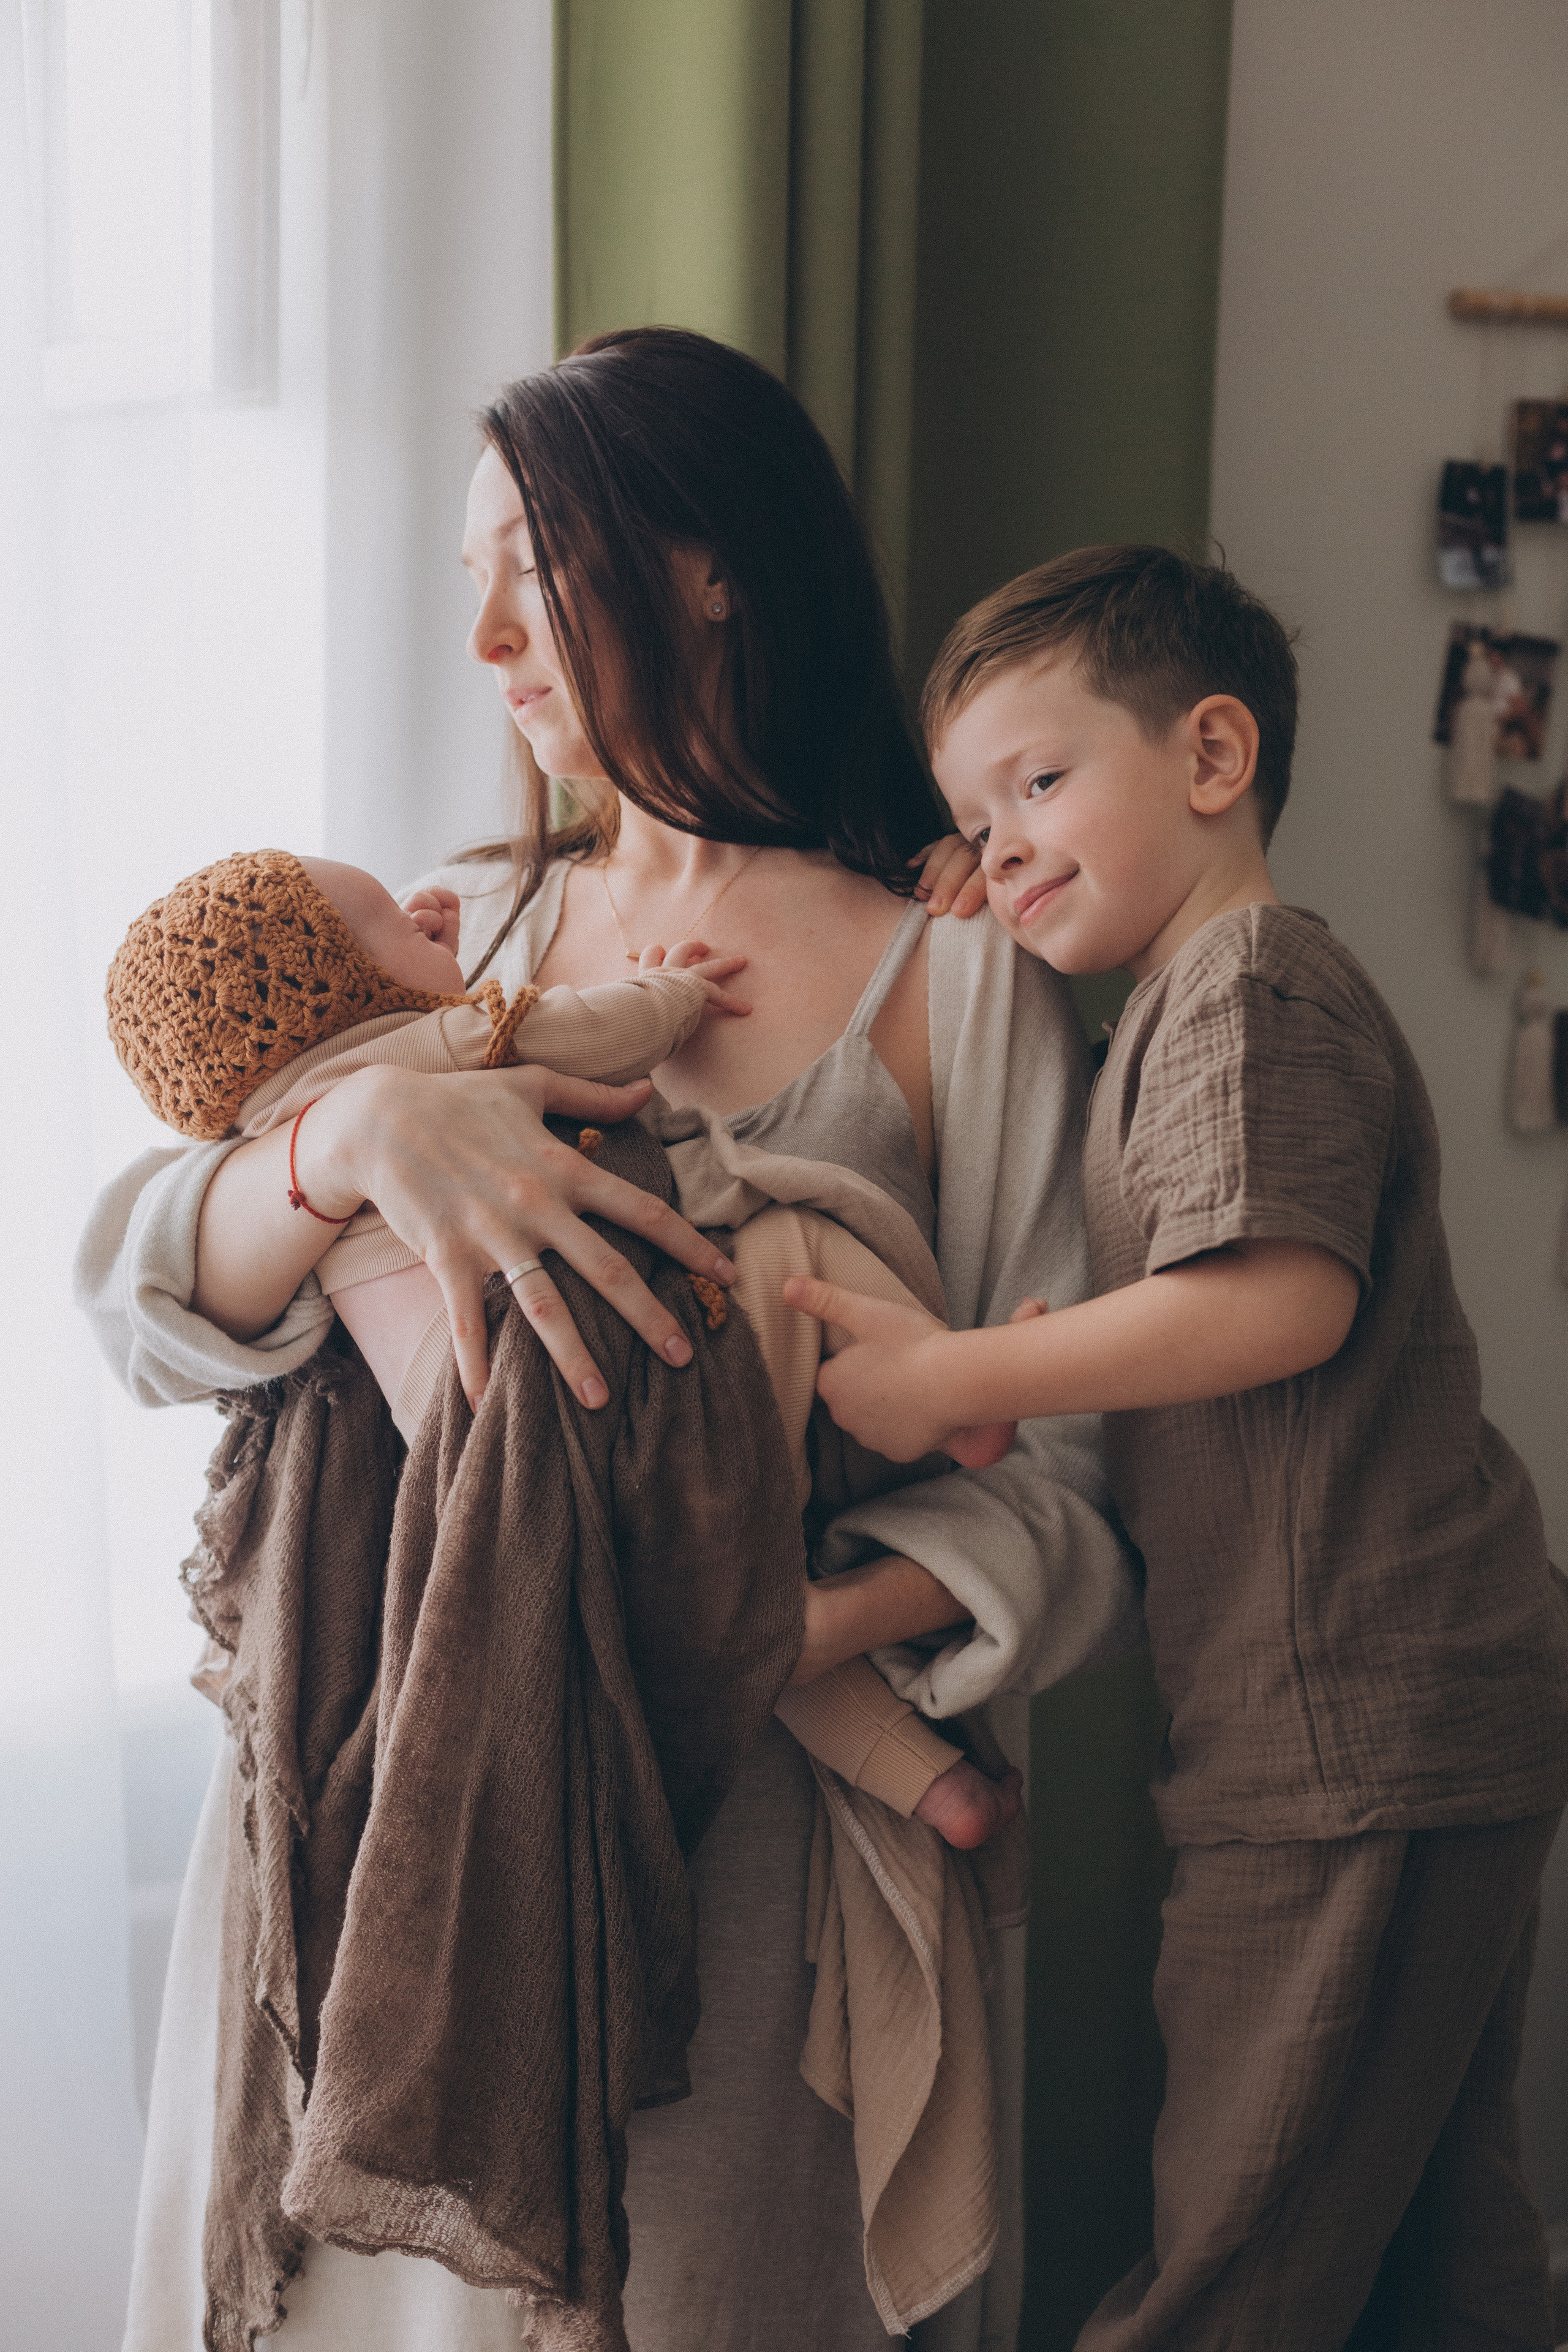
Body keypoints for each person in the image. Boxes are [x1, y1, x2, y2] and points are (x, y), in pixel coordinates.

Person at [78, 328, 1140, 2352]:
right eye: (469, 575)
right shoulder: (451, 933)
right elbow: (132, 1296)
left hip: (734, 1876)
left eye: (535, 567)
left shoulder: (953, 983)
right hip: (384, 1810)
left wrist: (764, 1633)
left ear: (711, 566)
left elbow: (1078, 1490)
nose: (484, 635)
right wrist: (345, 1145)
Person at [789, 543, 1568, 2351]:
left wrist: (960, 1370)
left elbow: (1276, 1301)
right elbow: (1200, 1290)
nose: (1002, 852)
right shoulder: (1176, 1011)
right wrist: (1012, 865)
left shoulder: (1246, 988)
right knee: (1431, 2244)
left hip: (1352, 1729)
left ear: (1213, 757)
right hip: (1392, 1708)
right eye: (973, 825)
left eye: (1039, 784)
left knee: (1235, 2258)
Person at [104, 842, 1020, 1844]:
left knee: (724, 1607)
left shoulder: (257, 1128)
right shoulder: (455, 1035)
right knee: (794, 1251)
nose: (424, 910)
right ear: (346, 984)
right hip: (610, 1379)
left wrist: (338, 1110)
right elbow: (602, 1035)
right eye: (387, 921)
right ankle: (952, 1399)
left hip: (481, 1472)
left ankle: (939, 1789)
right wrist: (668, 993)